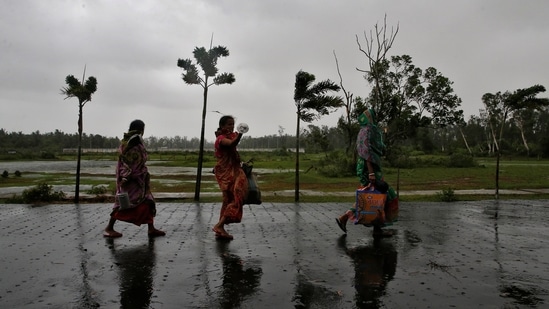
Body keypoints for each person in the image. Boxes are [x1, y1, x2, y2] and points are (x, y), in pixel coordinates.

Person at [336, 109, 398, 237]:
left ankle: (374, 228)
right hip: (369, 169)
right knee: (385, 195)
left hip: (366, 168)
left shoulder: (363, 130)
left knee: (373, 196)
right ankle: (373, 228)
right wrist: (371, 173)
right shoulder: (369, 131)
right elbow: (366, 152)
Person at [103, 119, 166, 238]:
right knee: (123, 204)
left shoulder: (128, 142)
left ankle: (151, 228)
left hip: (137, 180)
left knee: (148, 201)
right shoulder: (132, 143)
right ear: (141, 129)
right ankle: (109, 227)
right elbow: (131, 162)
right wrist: (133, 175)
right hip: (132, 180)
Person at [212, 115, 248, 240]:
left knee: (229, 200)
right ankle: (219, 225)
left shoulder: (228, 136)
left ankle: (220, 229)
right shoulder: (221, 139)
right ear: (222, 126)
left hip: (233, 171)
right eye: (229, 124)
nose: (232, 127)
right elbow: (232, 143)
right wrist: (241, 134)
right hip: (227, 174)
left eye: (233, 124)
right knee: (237, 197)